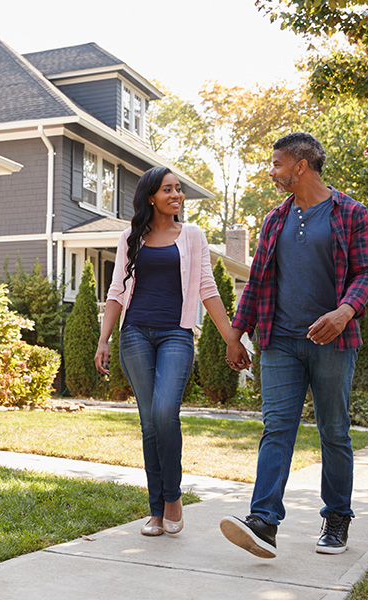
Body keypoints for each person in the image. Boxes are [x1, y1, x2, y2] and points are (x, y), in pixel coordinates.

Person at [220, 132, 368, 558]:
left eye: (276, 164)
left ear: (300, 166)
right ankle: (264, 521)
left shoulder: (351, 214)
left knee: (334, 432)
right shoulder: (275, 220)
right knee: (277, 430)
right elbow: (256, 282)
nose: (272, 172)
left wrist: (345, 311)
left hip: (334, 341)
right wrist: (236, 333)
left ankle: (337, 517)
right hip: (280, 340)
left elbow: (366, 272)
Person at [95, 166, 248, 537]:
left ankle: (172, 497)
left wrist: (232, 336)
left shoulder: (192, 236)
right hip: (134, 335)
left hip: (176, 334)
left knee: (165, 412)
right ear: (151, 196)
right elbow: (117, 291)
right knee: (149, 423)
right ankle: (156, 511)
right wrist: (104, 339)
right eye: (168, 189)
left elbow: (207, 289)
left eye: (179, 189)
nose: (176, 195)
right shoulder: (131, 237)